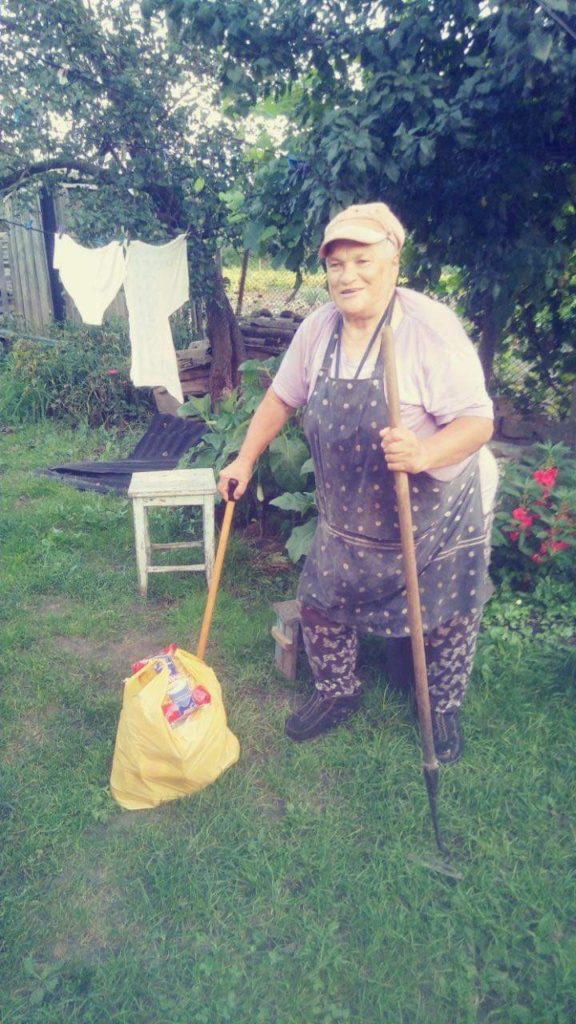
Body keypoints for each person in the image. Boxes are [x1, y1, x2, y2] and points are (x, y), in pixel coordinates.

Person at [218, 202, 498, 762]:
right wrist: (244, 460)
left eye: (361, 259)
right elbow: (281, 397)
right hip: (350, 516)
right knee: (320, 602)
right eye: (336, 264)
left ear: (393, 260)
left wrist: (422, 450)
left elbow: (478, 421)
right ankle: (338, 693)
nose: (347, 276)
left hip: (434, 510)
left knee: (445, 615)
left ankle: (439, 708)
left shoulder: (427, 328)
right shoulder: (319, 329)